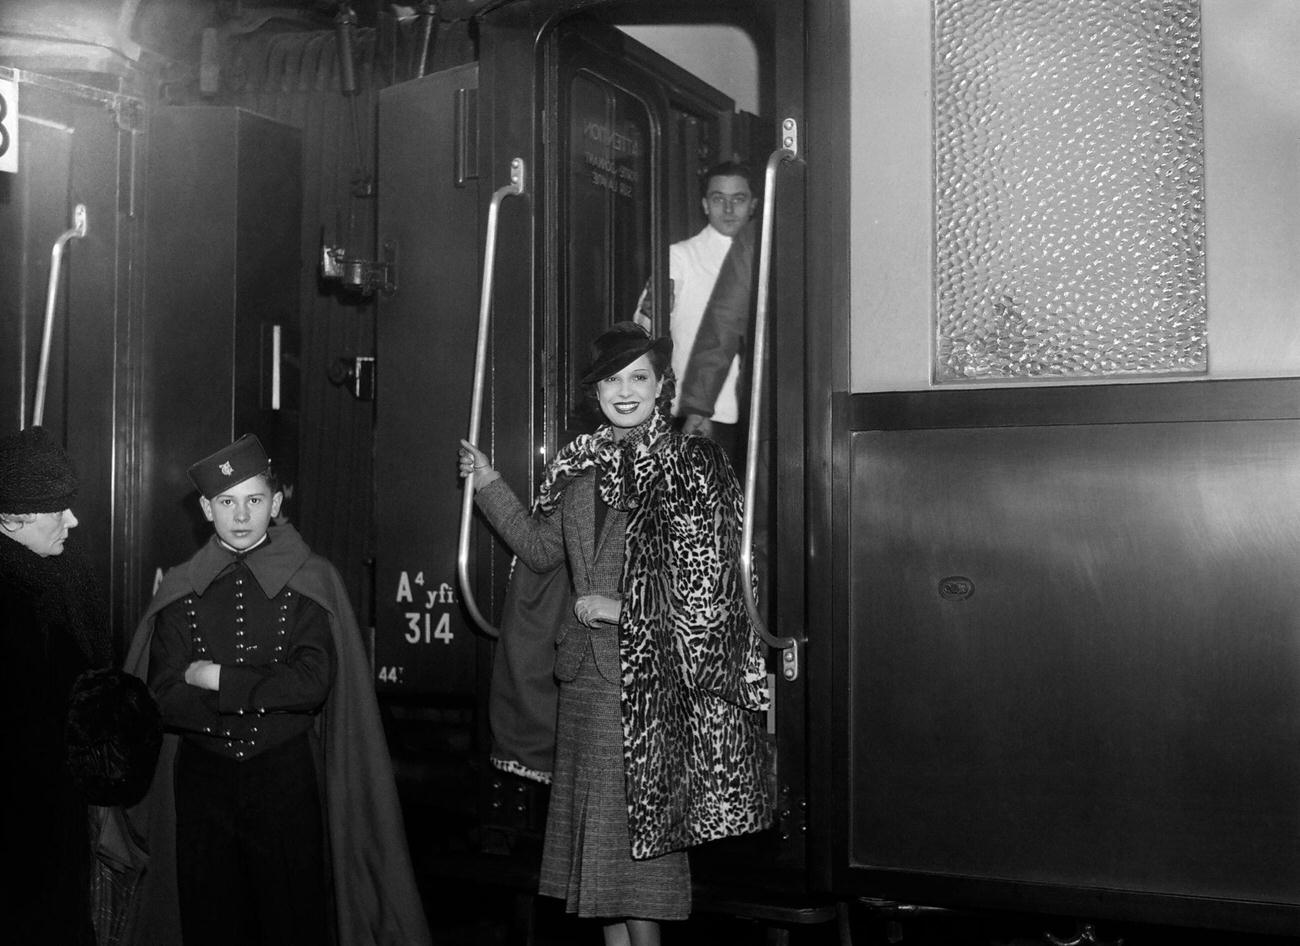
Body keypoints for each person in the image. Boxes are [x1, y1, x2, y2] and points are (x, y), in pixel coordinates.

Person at [459, 322, 773, 946]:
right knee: (602, 879)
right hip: (585, 683)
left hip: (650, 686)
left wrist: (622, 606)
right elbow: (541, 550)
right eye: (612, 379)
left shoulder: (691, 465)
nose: (625, 391)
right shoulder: (579, 469)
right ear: (594, 391)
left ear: (663, 387)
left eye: (639, 377)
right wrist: (488, 482)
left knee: (639, 872)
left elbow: (709, 586)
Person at [111, 433, 431, 946]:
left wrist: (216, 678)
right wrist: (263, 696)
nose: (241, 516)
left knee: (292, 920)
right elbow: (164, 695)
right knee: (209, 921)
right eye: (227, 502)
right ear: (206, 509)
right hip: (203, 786)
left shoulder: (313, 579)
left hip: (284, 782)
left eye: (254, 500)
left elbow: (312, 682)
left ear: (276, 504)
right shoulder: (180, 586)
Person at [0, 426, 114, 945]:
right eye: (58, 508)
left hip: (66, 820)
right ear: (11, 517)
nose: (74, 519)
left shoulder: (72, 580)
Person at [644, 161, 757, 470]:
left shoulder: (764, 258)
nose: (729, 208)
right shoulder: (678, 257)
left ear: (754, 205)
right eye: (719, 198)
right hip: (691, 413)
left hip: (752, 416)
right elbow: (645, 329)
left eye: (739, 198)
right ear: (705, 204)